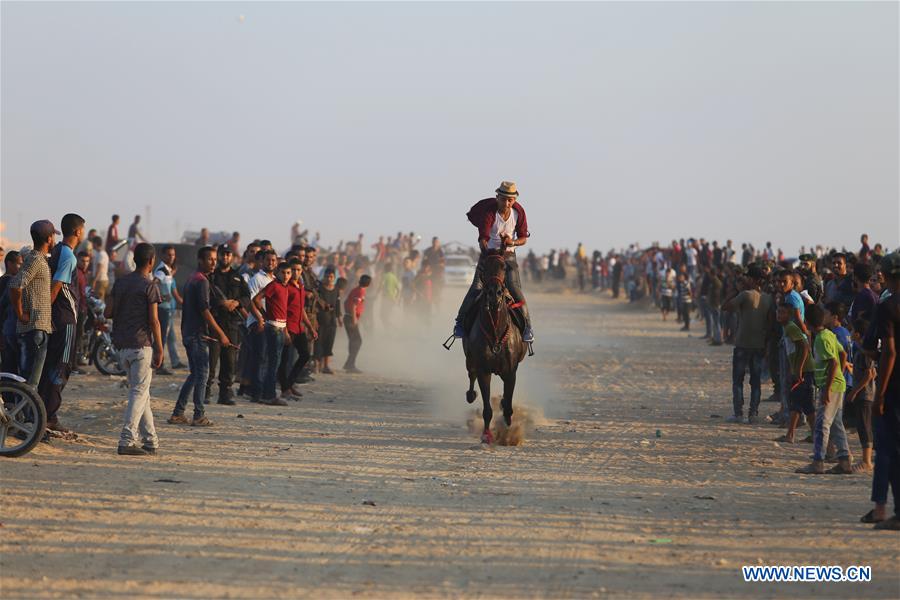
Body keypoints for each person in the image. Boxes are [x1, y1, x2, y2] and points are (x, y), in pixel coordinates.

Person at [452, 181, 533, 343]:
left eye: (510, 200)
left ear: (514, 200)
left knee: (515, 289)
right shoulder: (490, 212)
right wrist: (488, 254)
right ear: (498, 198)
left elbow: (523, 238)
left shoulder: (519, 212)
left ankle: (527, 327)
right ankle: (460, 323)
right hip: (489, 256)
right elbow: (483, 238)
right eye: (504, 199)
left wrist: (513, 242)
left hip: (509, 257)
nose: (507, 203)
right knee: (476, 288)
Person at [105, 243, 163, 456]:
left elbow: (108, 312)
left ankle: (151, 440)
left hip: (122, 347)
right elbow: (154, 321)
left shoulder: (120, 283)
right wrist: (160, 348)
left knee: (142, 394)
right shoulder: (150, 285)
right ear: (151, 261)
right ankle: (126, 441)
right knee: (139, 393)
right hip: (141, 346)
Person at [168, 246, 230, 427]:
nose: (213, 262)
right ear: (200, 261)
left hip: (189, 333)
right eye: (210, 259)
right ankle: (198, 415)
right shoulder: (200, 281)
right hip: (196, 335)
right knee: (202, 374)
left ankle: (178, 413)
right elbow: (205, 312)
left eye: (214, 259)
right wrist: (221, 334)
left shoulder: (193, 279)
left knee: (195, 374)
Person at [37, 213, 85, 435]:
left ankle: (45, 414)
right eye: (82, 230)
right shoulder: (67, 255)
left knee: (51, 366)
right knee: (61, 367)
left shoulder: (55, 251)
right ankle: (48, 417)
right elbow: (55, 289)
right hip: (65, 320)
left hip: (57, 319)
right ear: (77, 231)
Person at [796, 304, 852, 475]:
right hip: (836, 384)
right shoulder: (829, 334)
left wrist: (828, 388)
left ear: (807, 322)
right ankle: (844, 461)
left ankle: (818, 461)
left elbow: (833, 362)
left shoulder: (821, 339)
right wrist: (840, 374)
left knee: (822, 425)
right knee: (836, 424)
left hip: (831, 386)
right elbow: (842, 355)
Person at [865, 252, 900, 530]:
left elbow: (888, 352)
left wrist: (880, 395)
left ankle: (886, 510)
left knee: (888, 448)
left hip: (894, 386)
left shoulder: (888, 307)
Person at [9, 221, 57, 388]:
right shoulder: (35, 259)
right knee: (30, 384)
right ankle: (26, 414)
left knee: (31, 383)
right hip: (33, 329)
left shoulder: (39, 259)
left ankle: (27, 413)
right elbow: (15, 285)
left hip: (38, 328)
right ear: (49, 238)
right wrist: (21, 314)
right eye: (54, 236)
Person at [722, 265, 772, 424]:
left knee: (738, 380)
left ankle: (738, 413)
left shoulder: (745, 295)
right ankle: (753, 413)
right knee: (755, 381)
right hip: (759, 344)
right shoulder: (768, 298)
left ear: (752, 279)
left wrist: (736, 290)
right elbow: (769, 324)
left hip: (743, 344)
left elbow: (725, 306)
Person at [206, 244, 250, 405]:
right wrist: (221, 303)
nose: (225, 257)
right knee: (212, 360)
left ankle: (225, 392)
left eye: (228, 255)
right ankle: (206, 391)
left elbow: (247, 297)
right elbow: (206, 297)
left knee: (230, 361)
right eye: (222, 255)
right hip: (214, 322)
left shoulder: (237, 277)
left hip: (232, 324)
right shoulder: (211, 276)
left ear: (232, 257)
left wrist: (237, 303)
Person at [252, 261, 292, 405]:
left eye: (288, 273)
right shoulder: (274, 285)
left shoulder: (285, 287)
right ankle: (268, 395)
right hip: (273, 327)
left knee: (275, 362)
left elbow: (284, 311)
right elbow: (256, 299)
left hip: (281, 327)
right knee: (273, 363)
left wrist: (286, 331)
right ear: (277, 273)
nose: (286, 276)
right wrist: (264, 314)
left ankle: (266, 393)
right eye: (283, 273)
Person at [775, 303, 815, 444]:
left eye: (783, 312)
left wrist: (799, 369)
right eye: (778, 312)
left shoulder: (791, 328)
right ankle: (815, 435)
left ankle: (790, 434)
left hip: (804, 370)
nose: (779, 315)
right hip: (801, 370)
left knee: (797, 402)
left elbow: (805, 347)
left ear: (790, 315)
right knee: (806, 405)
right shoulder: (786, 328)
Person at [279, 259, 317, 400]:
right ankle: (284, 388)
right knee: (284, 360)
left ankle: (289, 384)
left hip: (299, 327)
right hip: (288, 327)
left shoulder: (300, 286)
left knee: (305, 355)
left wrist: (310, 327)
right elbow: (282, 310)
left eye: (298, 270)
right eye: (293, 270)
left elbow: (301, 309)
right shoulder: (286, 287)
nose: (296, 273)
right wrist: (285, 331)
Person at [847, 318, 876, 473]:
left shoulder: (863, 351)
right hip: (866, 394)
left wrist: (854, 391)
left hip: (865, 395)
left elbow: (869, 374)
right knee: (862, 426)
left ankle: (866, 461)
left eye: (852, 331)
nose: (850, 333)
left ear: (857, 334)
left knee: (865, 427)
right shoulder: (860, 349)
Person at [152, 245, 185, 374]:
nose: (171, 257)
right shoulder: (161, 271)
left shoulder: (168, 271)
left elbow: (175, 294)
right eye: (169, 255)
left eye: (173, 255)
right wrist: (160, 296)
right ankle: (159, 365)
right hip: (163, 309)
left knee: (171, 338)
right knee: (162, 338)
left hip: (169, 310)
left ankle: (175, 361)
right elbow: (153, 284)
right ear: (163, 256)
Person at [0, 251, 23, 377]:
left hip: (6, 331)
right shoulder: (9, 282)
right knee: (9, 368)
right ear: (9, 264)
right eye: (19, 264)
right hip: (6, 331)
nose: (21, 267)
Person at [315, 268, 342, 374]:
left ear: (334, 278)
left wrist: (339, 318)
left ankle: (326, 366)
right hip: (320, 319)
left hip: (332, 320)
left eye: (331, 277)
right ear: (324, 276)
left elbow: (338, 304)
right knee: (318, 343)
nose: (329, 279)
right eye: (327, 276)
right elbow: (315, 303)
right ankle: (317, 365)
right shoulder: (319, 288)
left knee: (329, 343)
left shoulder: (336, 289)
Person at [344, 274, 371, 373]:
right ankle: (350, 365)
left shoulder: (356, 289)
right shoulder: (360, 291)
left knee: (354, 341)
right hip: (351, 318)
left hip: (348, 317)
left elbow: (346, 302)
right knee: (357, 341)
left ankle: (349, 364)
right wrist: (354, 319)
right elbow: (353, 306)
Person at [90, 236, 110, 302]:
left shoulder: (101, 254)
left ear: (95, 243)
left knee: (99, 301)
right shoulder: (99, 253)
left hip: (100, 281)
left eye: (92, 243)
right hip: (100, 280)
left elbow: (99, 269)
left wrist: (94, 281)